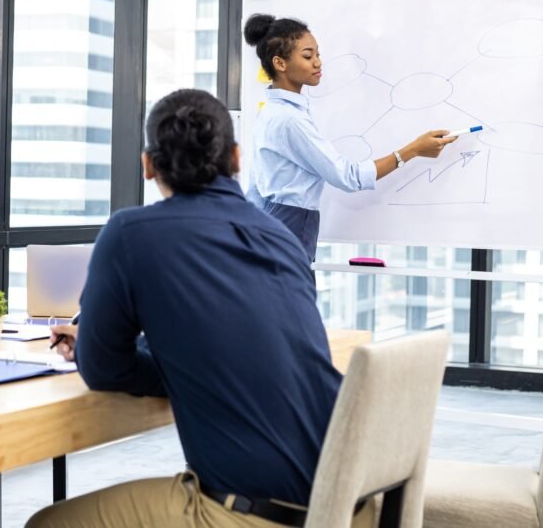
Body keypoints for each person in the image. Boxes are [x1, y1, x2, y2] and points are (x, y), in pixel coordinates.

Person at [28, 89, 372, 528]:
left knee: (48, 523)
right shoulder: (281, 237)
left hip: (260, 513)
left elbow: (104, 369)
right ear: (236, 158)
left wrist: (150, 357)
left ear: (148, 164)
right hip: (349, 503)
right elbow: (246, 339)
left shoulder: (130, 234)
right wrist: (174, 355)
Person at [243, 13, 456, 264]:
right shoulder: (290, 120)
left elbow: (255, 190)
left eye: (318, 54)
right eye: (308, 56)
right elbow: (349, 177)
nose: (318, 63)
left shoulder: (271, 112)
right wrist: (413, 150)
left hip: (273, 224)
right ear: (280, 63)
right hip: (291, 226)